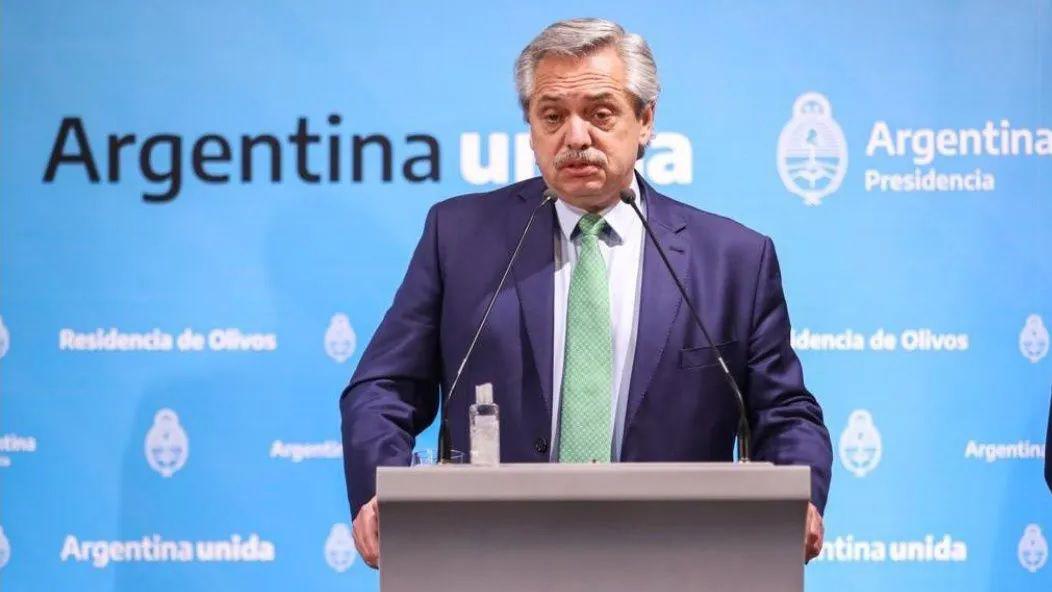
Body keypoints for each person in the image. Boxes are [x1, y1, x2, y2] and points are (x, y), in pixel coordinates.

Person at [340, 17, 833, 569]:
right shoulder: (459, 237)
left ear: (645, 121)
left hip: (678, 557)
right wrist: (380, 490)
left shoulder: (733, 259)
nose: (575, 138)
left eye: (600, 113)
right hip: (493, 555)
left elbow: (784, 411)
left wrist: (802, 497)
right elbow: (383, 387)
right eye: (552, 116)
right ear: (531, 128)